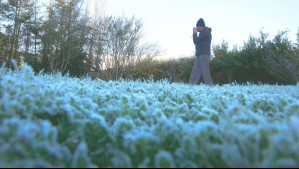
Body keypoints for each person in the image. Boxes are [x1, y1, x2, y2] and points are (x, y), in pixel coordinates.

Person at [189, 18, 214, 86]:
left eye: (197, 26)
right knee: (195, 72)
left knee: (205, 73)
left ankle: (211, 87)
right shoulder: (203, 32)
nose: (196, 28)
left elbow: (195, 41)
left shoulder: (205, 32)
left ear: (200, 26)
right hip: (200, 55)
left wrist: (194, 33)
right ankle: (190, 86)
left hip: (203, 55)